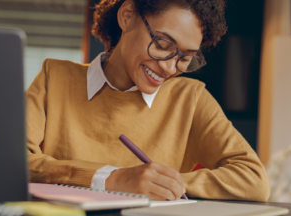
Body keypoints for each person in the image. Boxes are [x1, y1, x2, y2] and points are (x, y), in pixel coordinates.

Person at [26, 0, 269, 202]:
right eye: (163, 44)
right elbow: (13, 162)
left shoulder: (190, 99)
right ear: (127, 16)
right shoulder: (54, 78)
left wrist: (158, 183)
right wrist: (112, 179)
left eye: (186, 58)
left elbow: (253, 180)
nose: (170, 67)